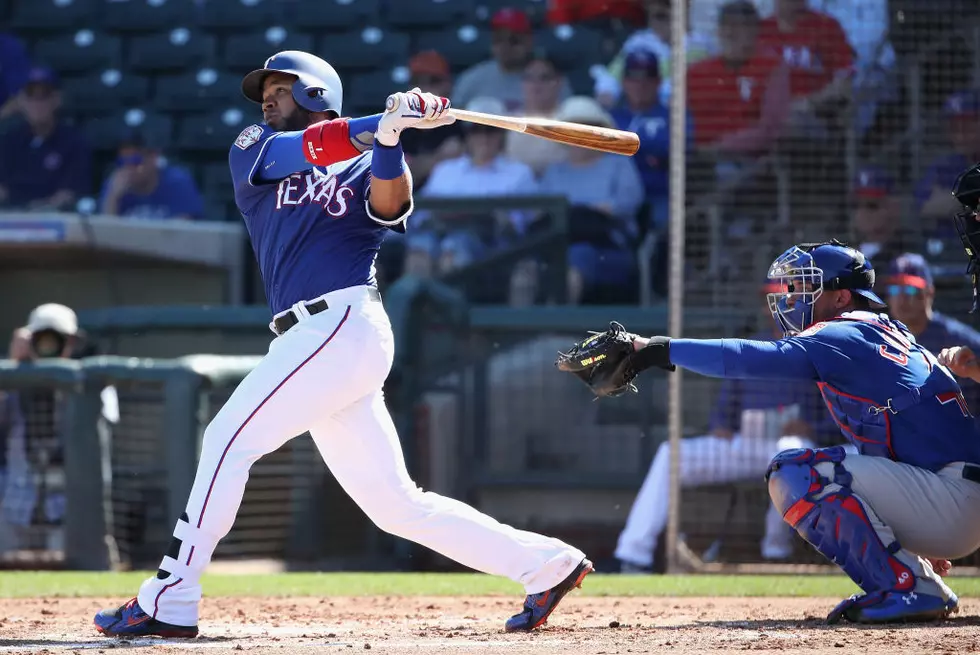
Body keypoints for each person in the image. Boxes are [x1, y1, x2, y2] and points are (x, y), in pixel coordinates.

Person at [92, 50, 591, 639]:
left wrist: (391, 137)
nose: (267, 99)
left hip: (341, 323)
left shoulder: (363, 161)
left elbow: (392, 204)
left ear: (315, 92)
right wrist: (379, 123)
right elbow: (305, 149)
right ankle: (547, 564)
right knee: (396, 505)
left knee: (226, 439)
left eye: (280, 88)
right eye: (266, 90)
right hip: (318, 339)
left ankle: (171, 596)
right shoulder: (253, 146)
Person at [566, 239, 979, 623]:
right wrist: (922, 527)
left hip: (955, 497)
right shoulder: (887, 334)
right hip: (954, 493)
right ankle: (910, 579)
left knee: (796, 472)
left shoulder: (846, 330)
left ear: (841, 297)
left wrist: (656, 348)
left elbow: (750, 357)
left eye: (805, 288)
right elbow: (900, 441)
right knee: (827, 466)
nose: (794, 298)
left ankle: (905, 586)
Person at [614, 280, 841, 573]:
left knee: (790, 453)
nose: (778, 305)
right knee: (671, 453)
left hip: (796, 448)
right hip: (746, 445)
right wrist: (720, 425)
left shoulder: (816, 347)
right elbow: (724, 409)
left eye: (785, 298)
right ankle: (633, 555)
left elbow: (839, 415)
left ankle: (776, 552)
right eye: (771, 299)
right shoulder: (753, 346)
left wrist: (813, 428)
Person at [883, 253, 980, 425]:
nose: (902, 298)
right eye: (895, 289)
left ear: (929, 293)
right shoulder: (883, 340)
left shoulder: (961, 341)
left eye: (911, 289)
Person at [0, 66, 91, 212]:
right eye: (30, 96)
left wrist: (36, 210)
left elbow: (68, 195)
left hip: (54, 220)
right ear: (21, 101)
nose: (37, 104)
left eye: (44, 96)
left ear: (57, 99)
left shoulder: (74, 142)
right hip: (10, 218)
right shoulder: (8, 140)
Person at [98, 129, 205, 220]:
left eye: (136, 161)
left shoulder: (177, 181)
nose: (129, 167)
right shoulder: (114, 184)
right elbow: (106, 237)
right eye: (122, 162)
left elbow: (182, 233)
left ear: (153, 158)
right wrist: (113, 198)